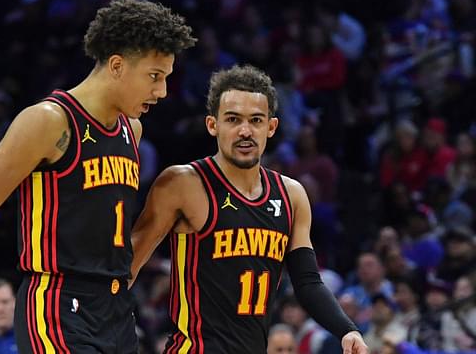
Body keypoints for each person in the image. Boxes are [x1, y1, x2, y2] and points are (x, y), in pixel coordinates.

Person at [0, 0, 196, 354]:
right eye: (154, 77)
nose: (161, 92)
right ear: (116, 66)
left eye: (166, 79)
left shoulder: (133, 130)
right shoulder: (49, 121)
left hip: (114, 309)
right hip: (57, 305)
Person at [130, 64, 367, 353]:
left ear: (271, 127)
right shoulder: (182, 183)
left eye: (256, 120)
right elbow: (128, 265)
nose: (245, 131)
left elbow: (307, 282)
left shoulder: (291, 195)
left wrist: (347, 330)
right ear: (212, 125)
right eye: (233, 119)